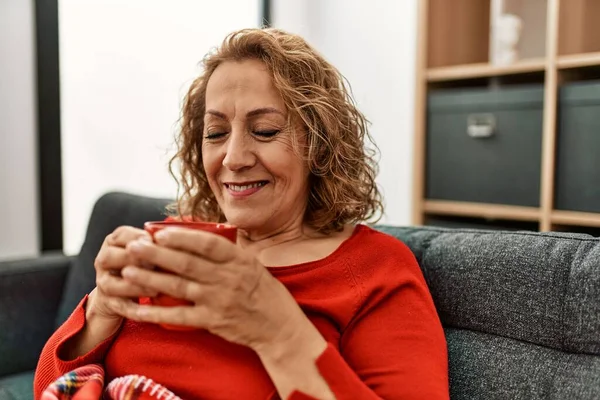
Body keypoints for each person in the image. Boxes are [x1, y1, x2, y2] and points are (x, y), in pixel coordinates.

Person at [34, 28, 449, 399]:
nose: (233, 158)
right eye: (215, 133)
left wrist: (278, 329)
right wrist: (102, 307)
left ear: (319, 146)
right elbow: (51, 387)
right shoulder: (175, 245)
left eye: (265, 131)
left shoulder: (376, 271)